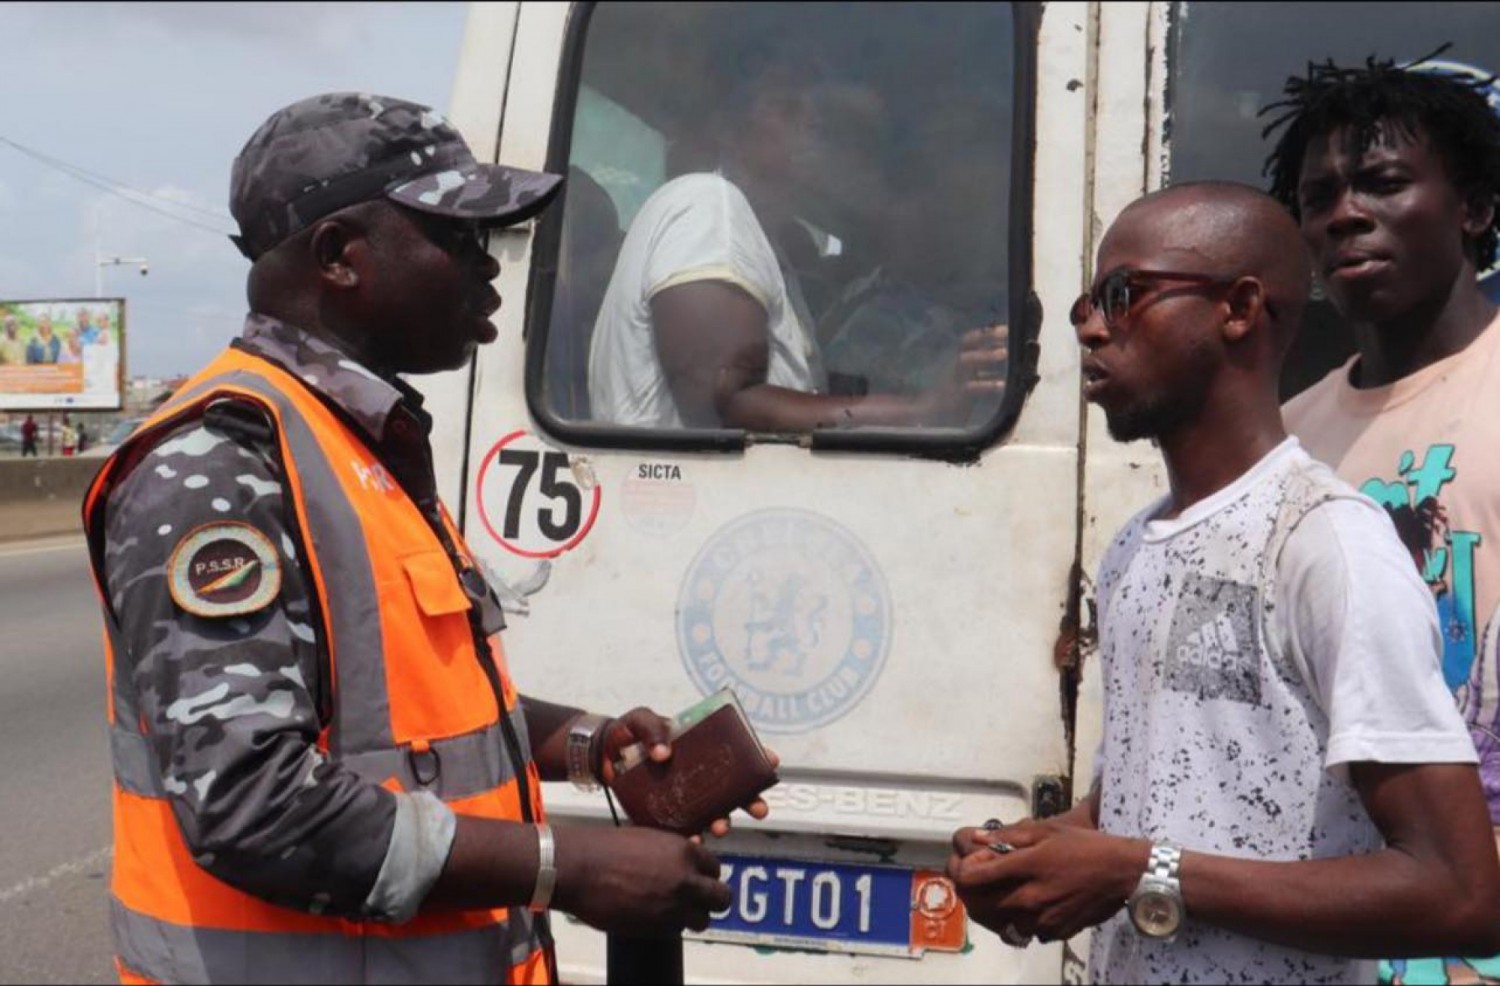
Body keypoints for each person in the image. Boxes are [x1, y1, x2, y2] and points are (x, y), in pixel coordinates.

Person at [81, 92, 769, 985]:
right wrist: (568, 866)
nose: (489, 268)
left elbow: (391, 720)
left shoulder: (355, 443)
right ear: (339, 257)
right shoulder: (223, 466)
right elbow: (250, 802)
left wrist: (590, 746)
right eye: (456, 237)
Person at [946, 182, 1500, 984]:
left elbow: (1458, 891)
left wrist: (1137, 873)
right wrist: (1042, 851)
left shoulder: (1326, 544)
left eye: (1124, 294)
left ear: (1238, 309)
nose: (1094, 328)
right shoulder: (1138, 543)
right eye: (1084, 306)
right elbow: (1167, 793)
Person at [1264, 52, 1500, 986]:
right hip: (1335, 921)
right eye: (1320, 196)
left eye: (1383, 183)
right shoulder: (1288, 438)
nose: (1345, 213)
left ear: (1474, 208)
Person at [586, 51, 1006, 430]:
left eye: (817, 112)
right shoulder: (710, 207)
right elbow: (725, 401)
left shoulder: (763, 244)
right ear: (728, 132)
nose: (813, 121)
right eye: (786, 107)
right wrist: (924, 411)